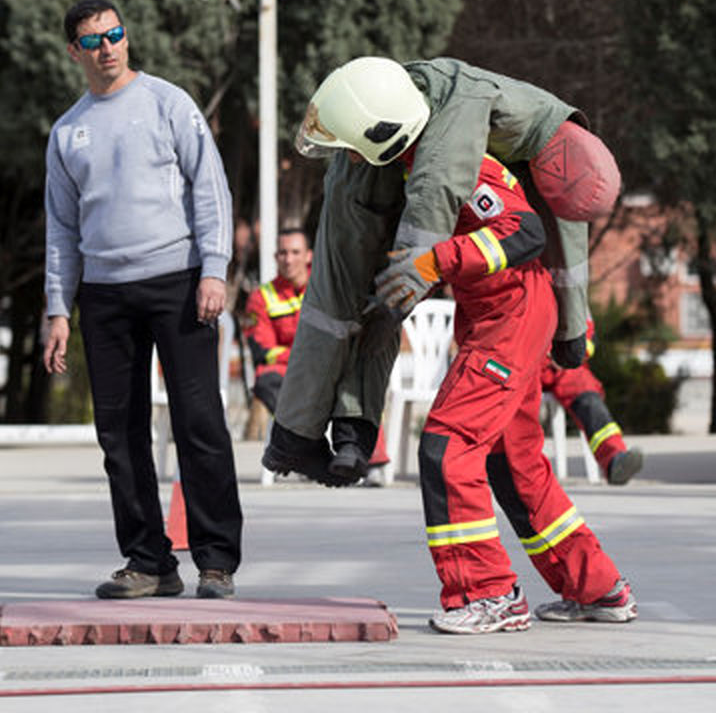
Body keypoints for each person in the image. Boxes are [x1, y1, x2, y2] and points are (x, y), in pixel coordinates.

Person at [261, 57, 621, 486]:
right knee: (347, 301)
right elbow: (440, 189)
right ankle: (313, 436)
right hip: (388, 188)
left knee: (373, 303)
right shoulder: (443, 120)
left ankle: (345, 434)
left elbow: (447, 192)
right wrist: (419, 268)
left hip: (499, 302)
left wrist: (572, 328)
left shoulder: (495, 130)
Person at [381, 149, 636, 633]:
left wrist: (434, 263)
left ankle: (489, 593)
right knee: (514, 467)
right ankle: (597, 587)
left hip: (509, 320)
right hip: (508, 316)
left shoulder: (458, 164)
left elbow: (522, 231)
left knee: (447, 447)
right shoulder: (435, 160)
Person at [43, 0, 242, 599]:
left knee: (199, 420)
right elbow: (60, 228)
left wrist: (214, 269)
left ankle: (215, 561)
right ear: (74, 51)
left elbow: (211, 188)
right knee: (119, 432)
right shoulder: (67, 131)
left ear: (127, 38)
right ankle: (149, 561)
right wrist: (57, 308)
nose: (108, 47)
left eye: (116, 34)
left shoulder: (168, 102)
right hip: (103, 296)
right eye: (94, 40)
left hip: (177, 283)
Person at [540, 319, 644, 485]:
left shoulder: (569, 294)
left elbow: (585, 330)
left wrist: (567, 353)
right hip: (520, 365)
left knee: (585, 390)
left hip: (563, 366)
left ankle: (614, 459)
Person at [243, 228, 312, 414]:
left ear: (309, 256)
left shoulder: (327, 288)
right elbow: (263, 351)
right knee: (266, 378)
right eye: (283, 253)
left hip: (328, 366)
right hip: (288, 372)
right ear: (275, 257)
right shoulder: (260, 297)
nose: (289, 260)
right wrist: (304, 359)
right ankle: (300, 438)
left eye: (295, 252)